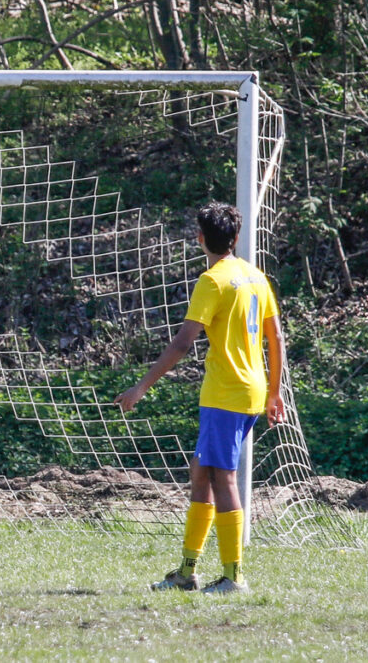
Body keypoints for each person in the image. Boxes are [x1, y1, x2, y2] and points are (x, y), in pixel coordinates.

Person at [114, 201, 286, 595]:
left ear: (200, 239)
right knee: (201, 473)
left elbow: (182, 343)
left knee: (223, 478)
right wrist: (274, 391)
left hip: (226, 392)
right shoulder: (255, 276)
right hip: (251, 388)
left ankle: (233, 577)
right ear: (236, 238)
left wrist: (141, 387)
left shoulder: (213, 281)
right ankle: (187, 572)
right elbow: (276, 336)